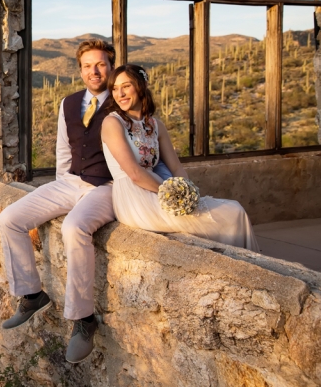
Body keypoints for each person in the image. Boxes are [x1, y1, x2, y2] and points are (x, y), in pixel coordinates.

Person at [0, 40, 172, 364]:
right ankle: (32, 294)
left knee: (75, 227)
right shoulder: (69, 103)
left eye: (101, 64)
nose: (94, 71)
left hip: (106, 186)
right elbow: (63, 152)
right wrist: (60, 187)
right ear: (79, 70)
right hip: (70, 181)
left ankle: (83, 319)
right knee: (9, 219)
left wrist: (168, 187)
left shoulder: (123, 105)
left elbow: (150, 153)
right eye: (88, 66)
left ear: (112, 66)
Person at [101, 64, 259, 252]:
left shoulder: (155, 125)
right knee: (232, 213)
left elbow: (176, 167)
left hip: (159, 192)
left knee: (234, 210)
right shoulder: (112, 123)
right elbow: (134, 173)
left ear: (141, 86)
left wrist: (188, 194)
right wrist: (173, 195)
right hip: (136, 199)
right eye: (115, 89)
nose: (120, 94)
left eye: (126, 86)